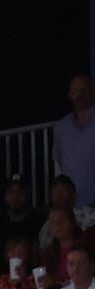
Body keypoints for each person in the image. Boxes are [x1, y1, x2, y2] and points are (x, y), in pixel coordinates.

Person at [54, 75, 95, 210]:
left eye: (84, 90)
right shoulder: (61, 127)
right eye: (75, 91)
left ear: (92, 92)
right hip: (73, 208)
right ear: (70, 95)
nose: (80, 94)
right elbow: (59, 166)